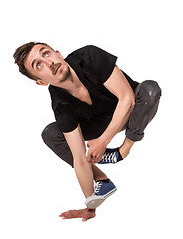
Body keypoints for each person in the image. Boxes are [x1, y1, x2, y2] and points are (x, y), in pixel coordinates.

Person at [13, 42, 161, 221]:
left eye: (46, 54)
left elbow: (127, 98)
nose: (49, 63)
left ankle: (122, 151)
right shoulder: (60, 104)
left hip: (132, 110)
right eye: (38, 65)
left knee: (150, 89)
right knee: (50, 133)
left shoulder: (89, 56)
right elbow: (79, 159)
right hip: (97, 123)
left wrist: (106, 143)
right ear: (41, 82)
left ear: (58, 53)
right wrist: (90, 205)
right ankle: (103, 181)